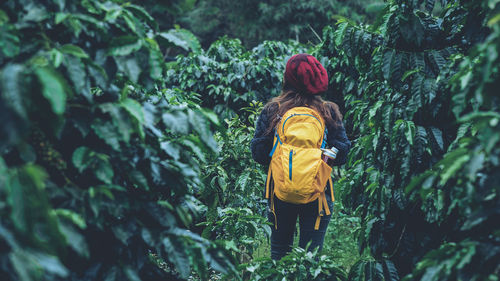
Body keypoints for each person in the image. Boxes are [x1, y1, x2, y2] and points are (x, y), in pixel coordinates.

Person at [250, 53, 351, 260]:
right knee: (311, 260)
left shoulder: (273, 110)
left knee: (279, 254)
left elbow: (258, 153)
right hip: (318, 192)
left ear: (287, 79)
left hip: (279, 192)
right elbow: (342, 153)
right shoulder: (328, 111)